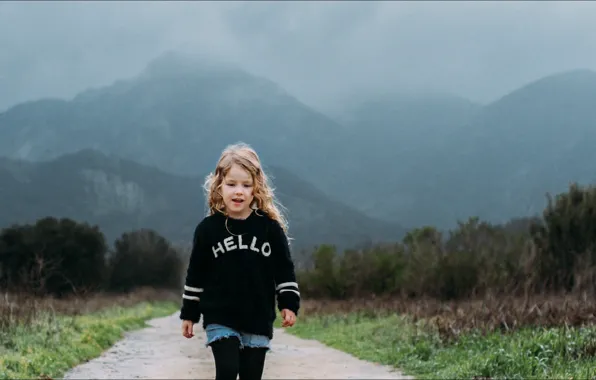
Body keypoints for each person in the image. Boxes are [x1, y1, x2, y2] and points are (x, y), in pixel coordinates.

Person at [180, 142, 300, 380]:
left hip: (258, 317)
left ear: (256, 188)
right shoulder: (208, 230)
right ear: (219, 186)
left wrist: (288, 302)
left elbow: (284, 270)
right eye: (231, 184)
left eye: (246, 185)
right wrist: (189, 314)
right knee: (226, 370)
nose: (238, 191)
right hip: (220, 317)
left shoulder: (269, 229)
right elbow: (196, 273)